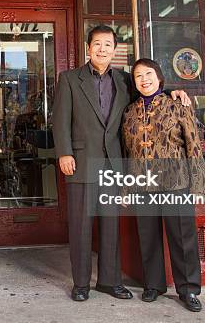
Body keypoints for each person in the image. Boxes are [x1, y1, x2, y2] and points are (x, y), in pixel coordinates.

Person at [53, 26, 190, 302]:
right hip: (80, 160)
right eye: (97, 44)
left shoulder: (125, 80)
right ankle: (81, 284)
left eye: (108, 45)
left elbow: (148, 90)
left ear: (115, 50)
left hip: (114, 163)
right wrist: (64, 153)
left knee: (110, 224)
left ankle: (109, 281)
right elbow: (60, 119)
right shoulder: (69, 79)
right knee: (81, 225)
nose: (102, 49)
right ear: (88, 47)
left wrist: (173, 92)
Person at [121, 58, 205, 312]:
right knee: (147, 237)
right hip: (142, 184)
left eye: (148, 74)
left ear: (159, 78)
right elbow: (128, 154)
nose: (144, 79)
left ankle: (189, 289)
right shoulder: (129, 113)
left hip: (176, 182)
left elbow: (193, 147)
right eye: (138, 76)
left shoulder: (177, 106)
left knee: (183, 238)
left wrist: (199, 185)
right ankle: (153, 285)